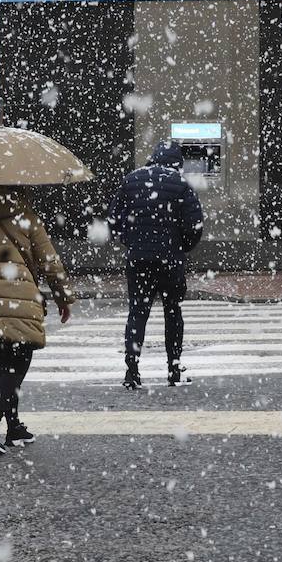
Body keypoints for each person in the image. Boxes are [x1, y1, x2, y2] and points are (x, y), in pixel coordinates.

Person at [0, 186, 74, 455]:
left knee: (7, 366)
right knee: (17, 365)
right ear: (22, 195)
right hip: (18, 304)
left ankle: (13, 428)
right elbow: (50, 263)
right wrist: (63, 298)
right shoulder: (28, 221)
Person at [107, 141, 204, 389]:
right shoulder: (181, 185)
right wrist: (180, 246)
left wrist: (131, 242)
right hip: (170, 260)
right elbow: (194, 225)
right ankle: (174, 367)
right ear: (177, 163)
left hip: (138, 259)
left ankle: (132, 369)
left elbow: (114, 220)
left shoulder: (131, 180)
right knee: (173, 313)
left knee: (137, 313)